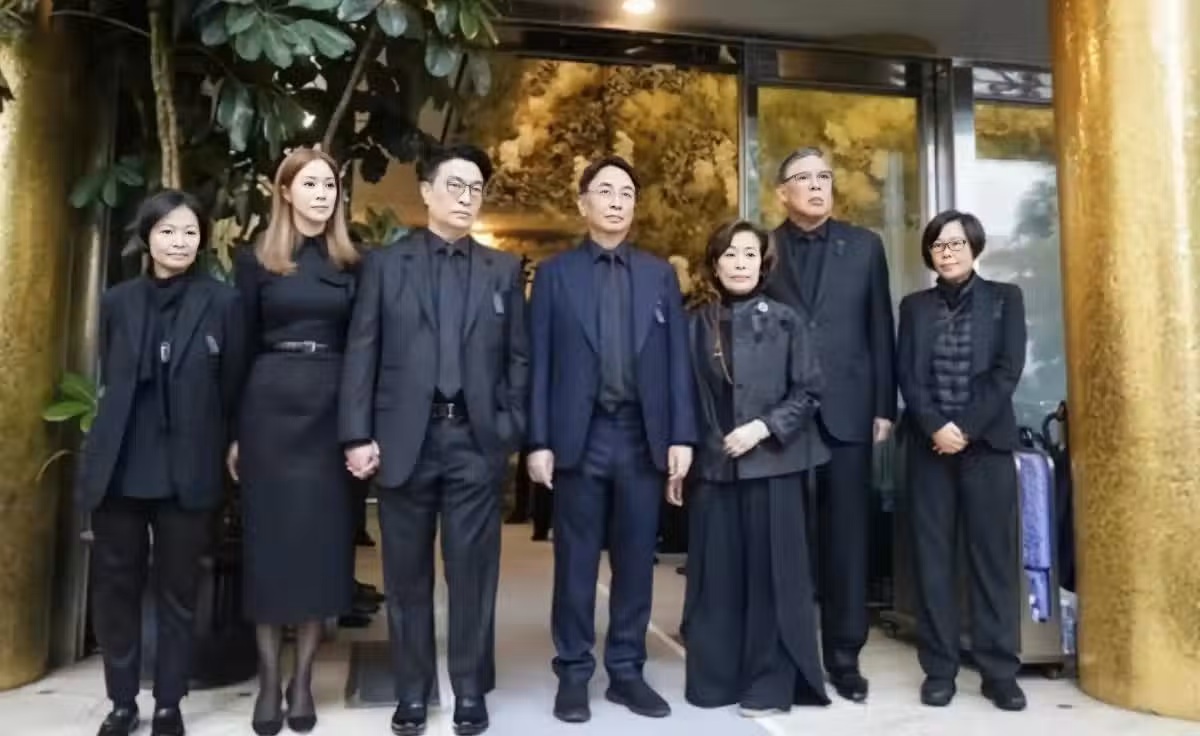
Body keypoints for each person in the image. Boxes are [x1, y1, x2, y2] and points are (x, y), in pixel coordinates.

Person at [340, 143, 528, 736]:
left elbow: (518, 358)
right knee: (406, 578)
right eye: (455, 185)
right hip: (404, 441)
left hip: (474, 439)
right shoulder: (385, 265)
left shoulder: (502, 270)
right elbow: (362, 351)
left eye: (476, 189)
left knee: (472, 575)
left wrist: (509, 426)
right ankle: (412, 692)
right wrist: (357, 434)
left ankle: (469, 691)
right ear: (426, 191)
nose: (466, 198)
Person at [526, 155, 696, 724]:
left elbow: (676, 361)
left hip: (642, 436)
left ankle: (626, 671)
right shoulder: (554, 275)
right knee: (575, 562)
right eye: (605, 190)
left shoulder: (658, 275)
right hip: (581, 436)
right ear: (583, 203)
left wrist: (681, 436)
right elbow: (540, 363)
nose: (617, 200)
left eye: (626, 192)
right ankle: (573, 672)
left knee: (636, 561)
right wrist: (538, 441)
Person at [78, 190, 243, 736]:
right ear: (147, 237)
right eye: (168, 231)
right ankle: (122, 702)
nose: (179, 242)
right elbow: (112, 374)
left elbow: (232, 385)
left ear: (203, 240)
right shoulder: (117, 301)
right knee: (116, 588)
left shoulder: (222, 302)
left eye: (190, 232)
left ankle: (170, 701)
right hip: (122, 463)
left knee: (178, 590)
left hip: (186, 464)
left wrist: (230, 442)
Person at [229, 147, 363, 735]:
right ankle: (267, 679)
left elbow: (365, 346)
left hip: (332, 408)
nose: (322, 194)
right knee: (269, 547)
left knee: (319, 547)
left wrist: (360, 427)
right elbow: (238, 348)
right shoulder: (257, 258)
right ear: (285, 191)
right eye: (310, 184)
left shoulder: (354, 261)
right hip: (269, 405)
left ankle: (302, 680)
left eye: (329, 185)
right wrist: (234, 431)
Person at [675, 220, 831, 717]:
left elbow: (809, 390)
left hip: (774, 464)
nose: (739, 264)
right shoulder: (694, 322)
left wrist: (764, 427)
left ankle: (770, 681)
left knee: (771, 579)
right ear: (714, 263)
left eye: (749, 254)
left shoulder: (786, 320)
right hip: (713, 467)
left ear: (763, 264)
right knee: (715, 576)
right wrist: (682, 454)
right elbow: (682, 393)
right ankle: (715, 677)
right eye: (730, 254)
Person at [764, 146, 896, 703]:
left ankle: (845, 657)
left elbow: (880, 327)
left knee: (847, 541)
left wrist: (884, 406)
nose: (817, 185)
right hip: (784, 417)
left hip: (848, 412)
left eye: (824, 176)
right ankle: (788, 653)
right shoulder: (763, 249)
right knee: (787, 540)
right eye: (804, 178)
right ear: (782, 193)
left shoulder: (865, 246)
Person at [897, 210, 1028, 711]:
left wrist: (965, 429)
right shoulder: (914, 307)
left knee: (992, 561)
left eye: (955, 243)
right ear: (929, 254)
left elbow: (1007, 370)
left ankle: (999, 672)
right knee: (933, 563)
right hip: (930, 449)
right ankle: (939, 670)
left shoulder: (1005, 299)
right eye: (938, 245)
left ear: (975, 247)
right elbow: (908, 375)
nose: (947, 252)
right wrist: (935, 426)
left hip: (986, 447)